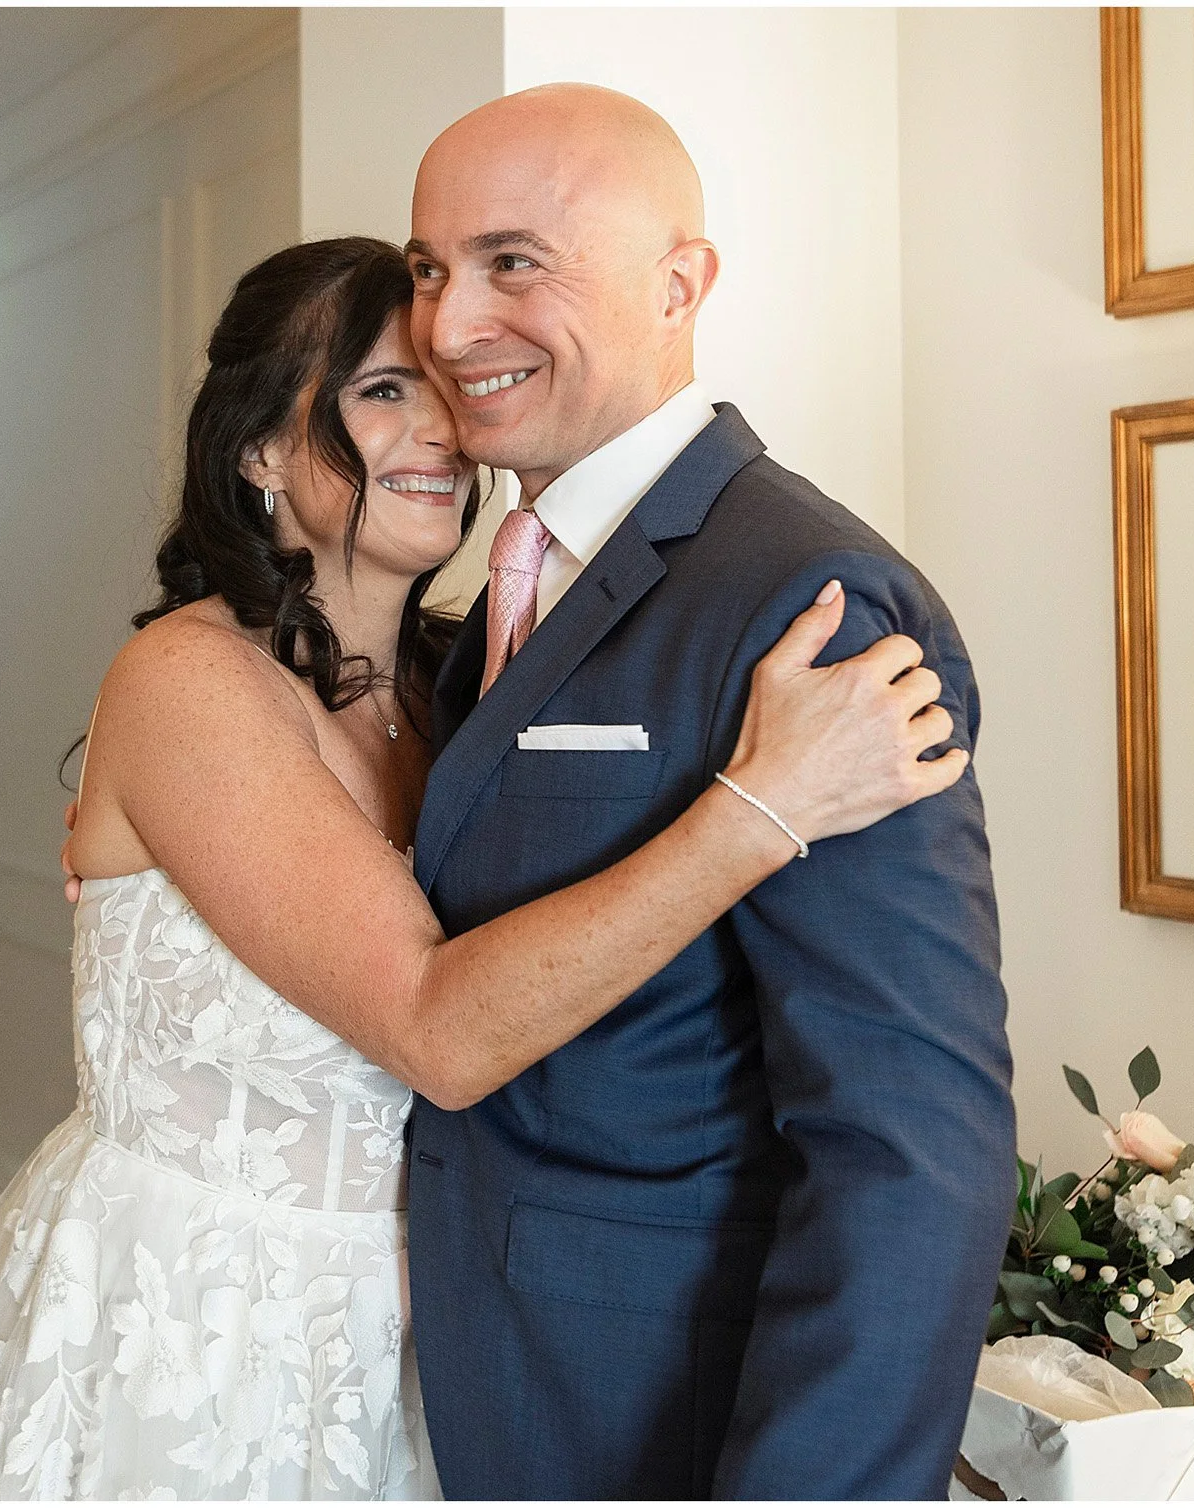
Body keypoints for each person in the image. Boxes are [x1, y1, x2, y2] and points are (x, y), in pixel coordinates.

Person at [0, 238, 962, 1499]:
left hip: (435, 1338)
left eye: (447, 390)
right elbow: (437, 1029)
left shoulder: (471, 682)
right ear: (258, 447)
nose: (442, 430)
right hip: (200, 1329)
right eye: (384, 390)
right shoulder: (190, 681)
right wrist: (763, 804)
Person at [400, 85, 1017, 1498]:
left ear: (680, 285)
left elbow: (907, 1144)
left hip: (660, 1419)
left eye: (512, 262)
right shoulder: (503, 575)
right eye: (429, 271)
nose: (447, 325)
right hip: (485, 1390)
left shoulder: (810, 600)